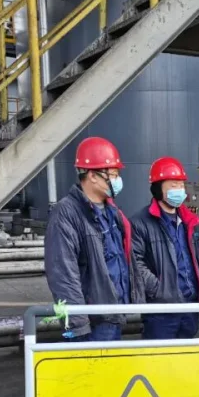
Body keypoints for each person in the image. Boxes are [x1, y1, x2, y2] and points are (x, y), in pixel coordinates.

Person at [44, 136, 139, 341]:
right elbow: (63, 274)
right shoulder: (66, 213)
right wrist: (77, 324)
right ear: (92, 176)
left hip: (112, 315)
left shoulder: (112, 212)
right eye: (113, 174)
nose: (117, 180)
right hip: (91, 322)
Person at [131, 156, 199, 339]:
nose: (179, 190)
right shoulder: (140, 223)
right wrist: (159, 290)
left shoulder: (190, 221)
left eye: (181, 185)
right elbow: (135, 263)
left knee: (185, 354)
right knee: (160, 355)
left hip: (190, 307)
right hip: (161, 311)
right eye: (173, 186)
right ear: (157, 189)